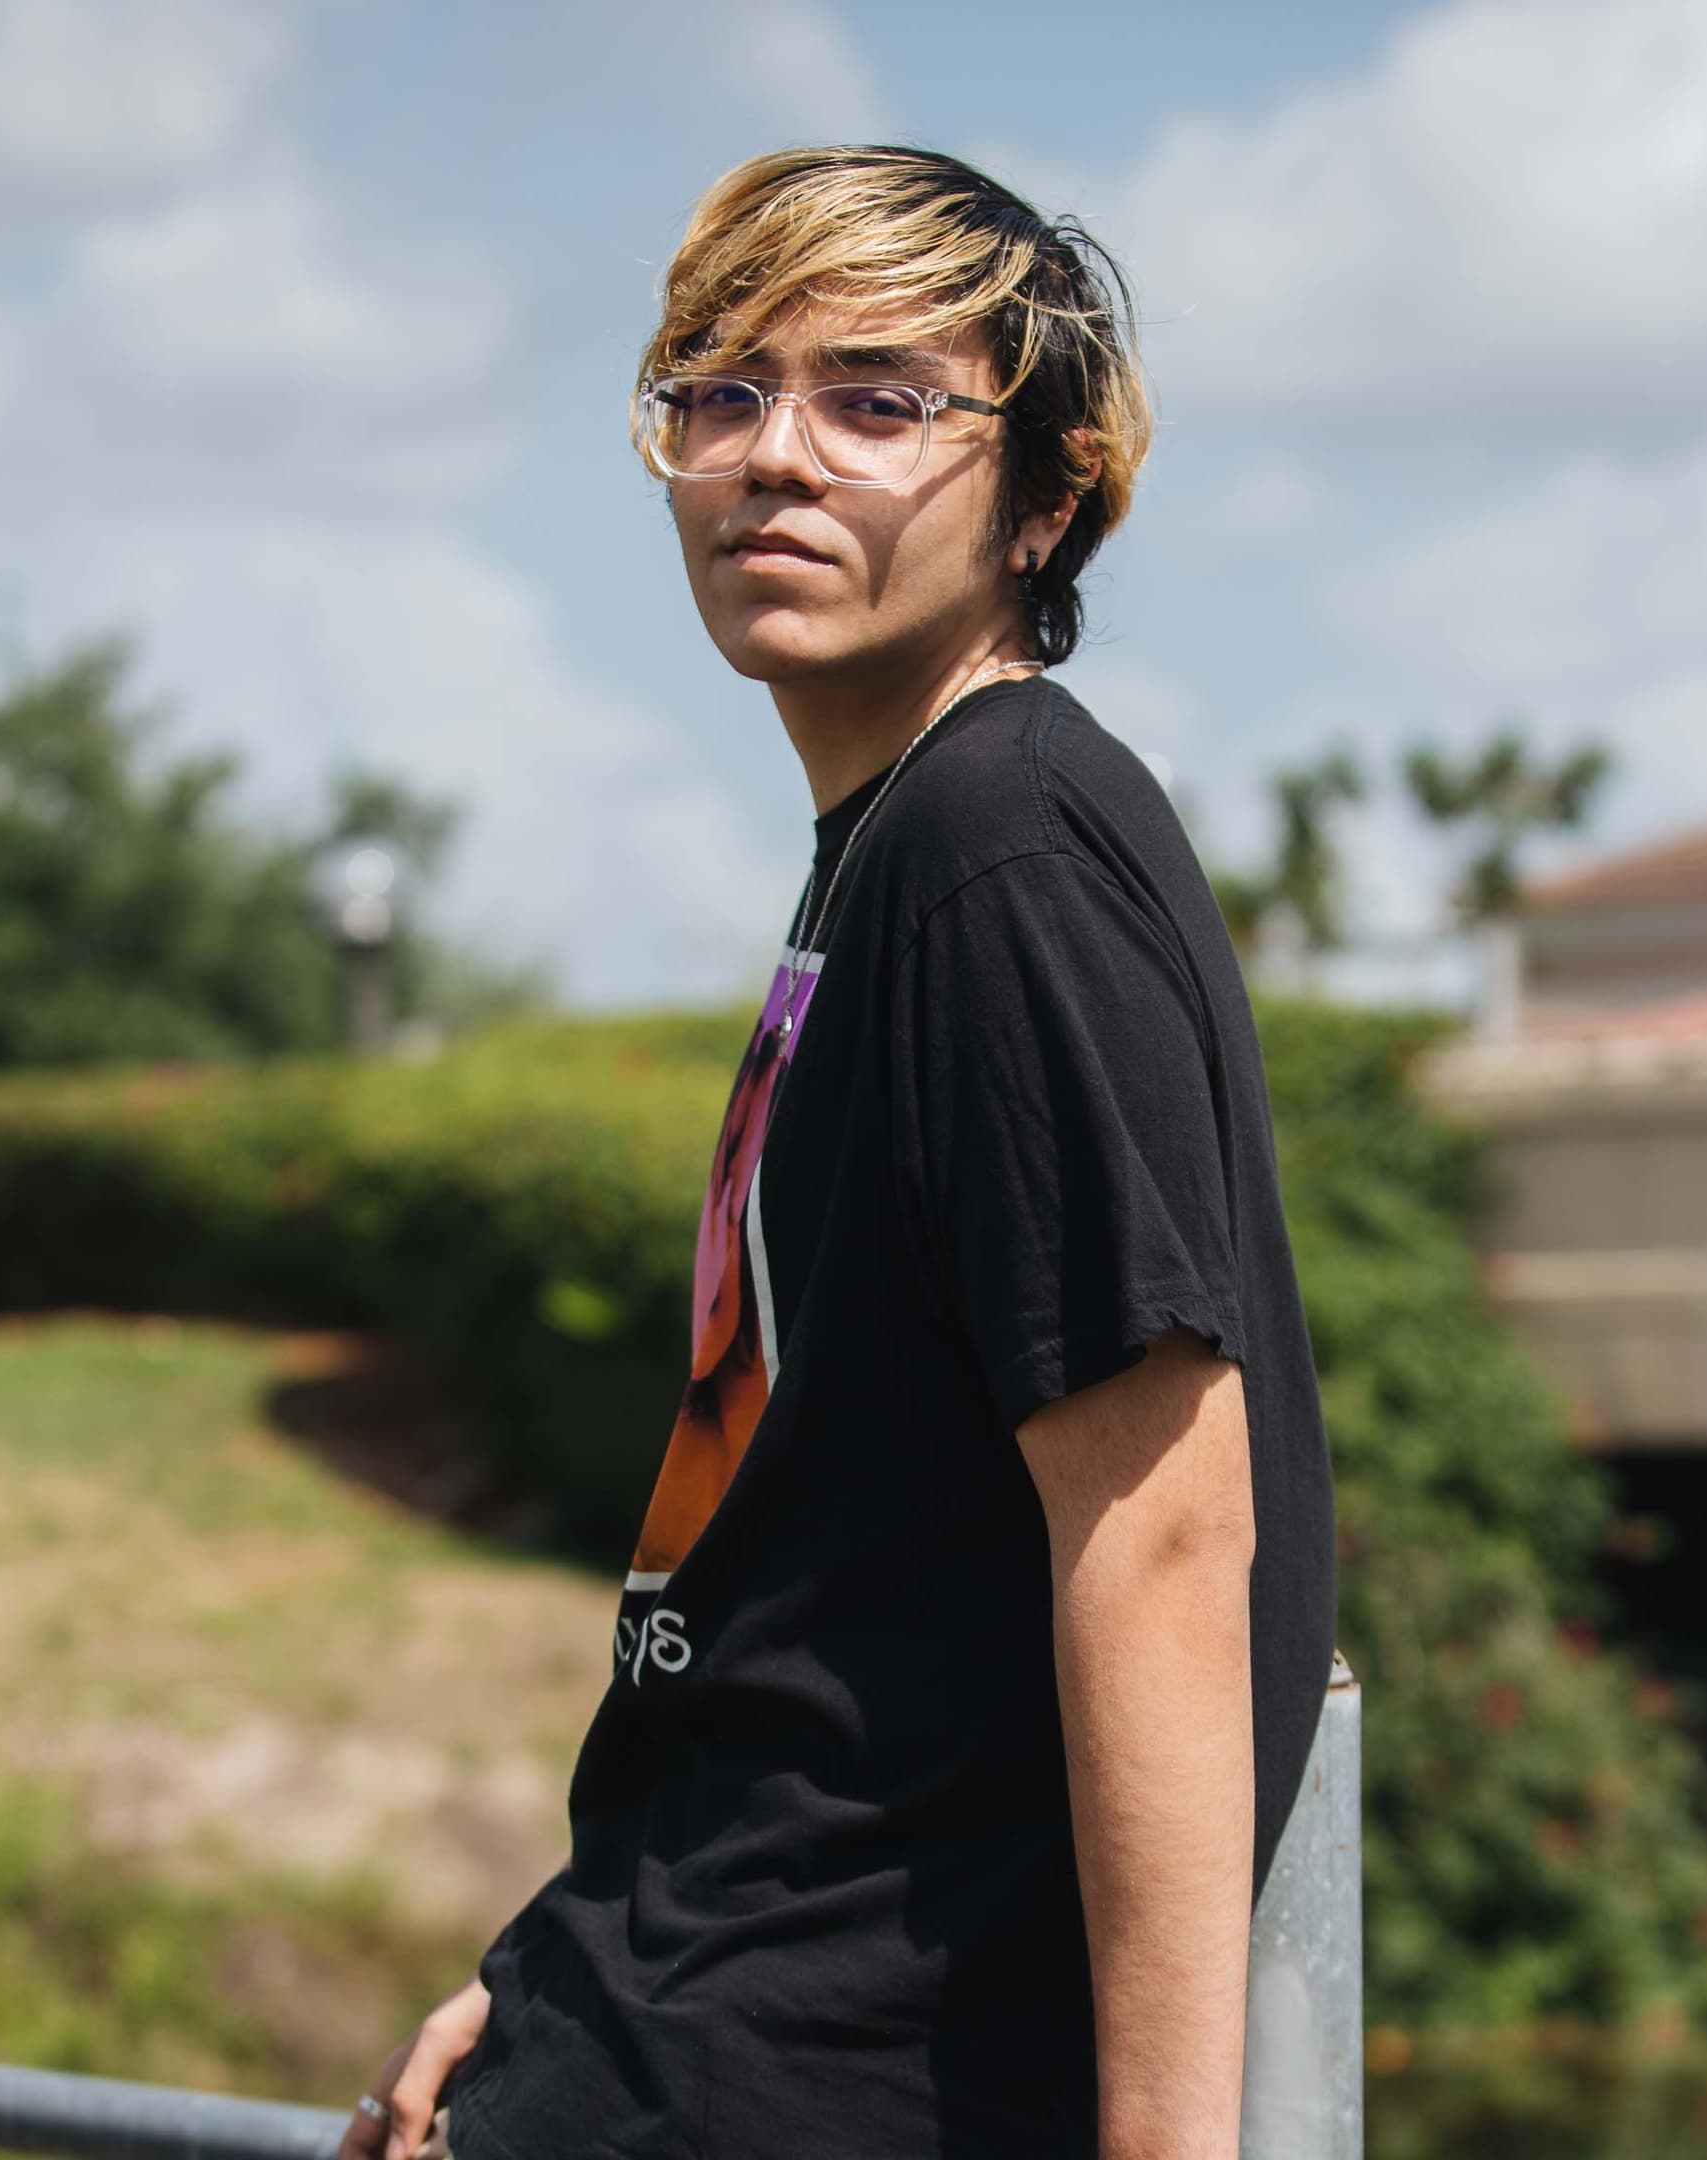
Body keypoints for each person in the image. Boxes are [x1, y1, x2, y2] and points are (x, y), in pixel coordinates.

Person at [344, 145, 1336, 2160]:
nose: (771, 457)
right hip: (673, 2030)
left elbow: (1165, 1536)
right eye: (720, 394)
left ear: (1043, 492)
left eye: (876, 403)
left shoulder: (1006, 850)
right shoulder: (889, 853)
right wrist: (559, 1964)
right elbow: (826, 1577)